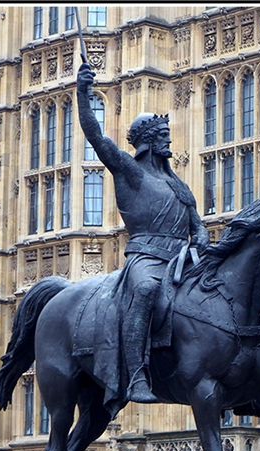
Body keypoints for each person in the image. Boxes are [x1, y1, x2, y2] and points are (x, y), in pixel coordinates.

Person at [77, 62, 210, 403]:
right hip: (146, 258)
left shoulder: (178, 184)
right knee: (147, 290)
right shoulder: (131, 173)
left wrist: (202, 240)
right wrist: (83, 93)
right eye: (163, 136)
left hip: (183, 260)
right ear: (148, 142)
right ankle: (137, 375)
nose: (169, 141)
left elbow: (197, 224)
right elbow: (97, 138)